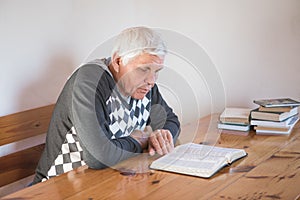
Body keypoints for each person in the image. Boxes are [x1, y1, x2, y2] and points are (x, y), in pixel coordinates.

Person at [32, 26, 180, 184]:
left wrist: (161, 136)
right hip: (58, 185)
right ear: (118, 61)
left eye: (157, 71)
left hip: (109, 181)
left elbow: (170, 121)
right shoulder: (89, 81)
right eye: (144, 69)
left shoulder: (144, 86)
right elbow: (98, 157)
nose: (152, 80)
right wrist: (140, 141)